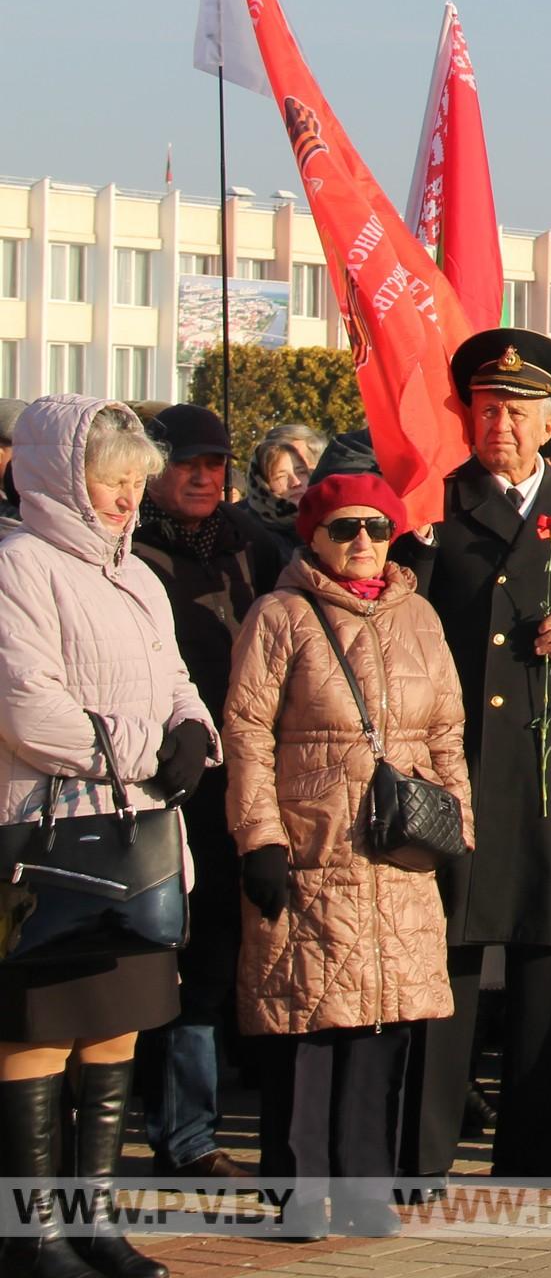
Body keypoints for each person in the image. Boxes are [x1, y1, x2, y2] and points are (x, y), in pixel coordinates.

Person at [398, 329, 551, 1183]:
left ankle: (536, 1154)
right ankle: (420, 1154)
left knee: (547, 953)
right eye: (488, 408)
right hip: (459, 763)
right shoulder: (434, 509)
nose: (500, 423)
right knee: (450, 957)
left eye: (518, 411)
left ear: (548, 424)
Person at [0, 396, 217, 1278]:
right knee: (39, 1031)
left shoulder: (138, 576)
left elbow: (175, 680)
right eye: (109, 481)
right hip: (51, 840)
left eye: (135, 482)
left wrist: (195, 735)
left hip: (140, 843)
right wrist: (146, 752)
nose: (127, 498)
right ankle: (31, 1236)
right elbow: (28, 711)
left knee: (116, 1029)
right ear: (60, 478)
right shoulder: (19, 565)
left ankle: (91, 1225)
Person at [225, 472, 473, 1238]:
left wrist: (460, 825)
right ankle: (297, 1193)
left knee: (385, 1024)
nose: (362, 541)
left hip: (400, 857)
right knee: (309, 1023)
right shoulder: (280, 615)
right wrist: (258, 837)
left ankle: (365, 1189)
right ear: (312, 534)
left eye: (375, 526)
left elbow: (447, 732)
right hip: (314, 850)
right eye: (343, 527)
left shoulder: (421, 617)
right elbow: (246, 734)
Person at [129, 405, 281, 1180]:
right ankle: (183, 1135)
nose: (202, 475)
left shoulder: (253, 547)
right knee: (170, 961)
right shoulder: (127, 553)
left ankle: (202, 1126)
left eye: (216, 462)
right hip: (164, 783)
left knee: (221, 957)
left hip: (247, 783)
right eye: (186, 461)